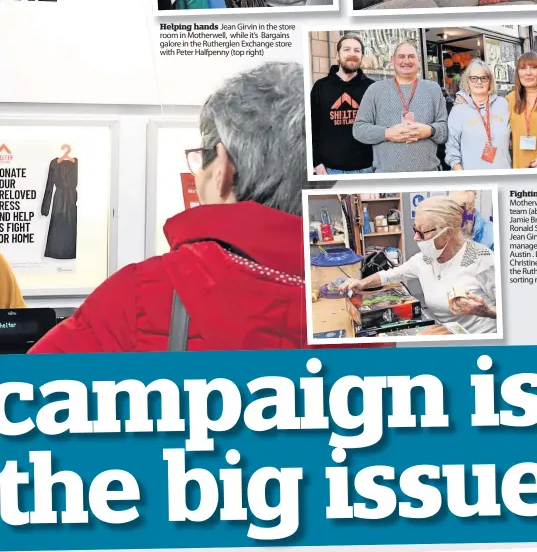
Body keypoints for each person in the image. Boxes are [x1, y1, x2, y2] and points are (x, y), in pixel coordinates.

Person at [29, 63, 308, 353]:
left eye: (201, 159)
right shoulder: (354, 297)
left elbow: (24, 394)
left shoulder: (138, 297)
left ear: (223, 171)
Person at [339, 196, 497, 334]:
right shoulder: (424, 260)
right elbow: (389, 275)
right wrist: (360, 283)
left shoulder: (480, 259)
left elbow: (516, 311)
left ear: (448, 233)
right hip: (446, 334)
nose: (415, 237)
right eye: (415, 230)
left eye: (422, 232)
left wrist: (488, 312)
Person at [353, 42, 448, 173]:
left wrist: (429, 130)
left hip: (428, 175)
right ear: (392, 60)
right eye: (401, 56)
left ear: (419, 61)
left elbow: (445, 131)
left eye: (411, 56)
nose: (406, 61)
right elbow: (358, 129)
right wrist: (386, 133)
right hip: (387, 177)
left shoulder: (433, 89)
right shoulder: (375, 90)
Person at [311, 35, 375, 175]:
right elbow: (311, 128)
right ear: (337, 55)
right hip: (329, 171)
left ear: (361, 56)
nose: (352, 54)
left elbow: (381, 128)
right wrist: (316, 162)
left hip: (367, 170)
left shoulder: (373, 88)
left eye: (357, 50)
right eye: (347, 49)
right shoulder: (321, 87)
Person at [445, 61, 511, 171]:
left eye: (484, 78)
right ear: (467, 81)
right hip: (472, 180)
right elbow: (452, 147)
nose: (479, 82)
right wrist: (462, 178)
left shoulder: (503, 104)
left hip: (503, 177)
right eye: (474, 78)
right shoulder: (458, 110)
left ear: (490, 81)